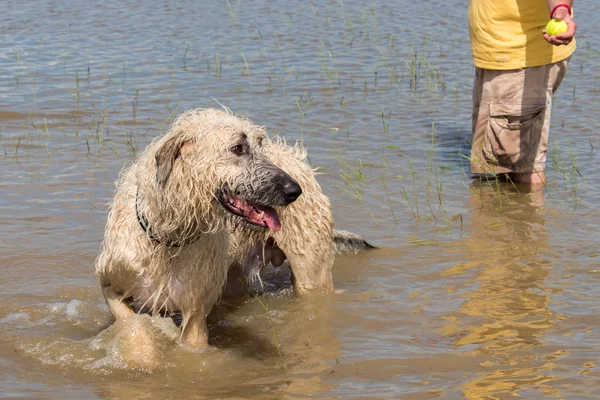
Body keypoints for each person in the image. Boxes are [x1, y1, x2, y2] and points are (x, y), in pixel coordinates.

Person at [468, 1, 577, 185]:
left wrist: (560, 7)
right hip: (499, 54)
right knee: (503, 163)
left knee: (523, 169)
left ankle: (529, 212)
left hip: (520, 58)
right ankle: (512, 212)